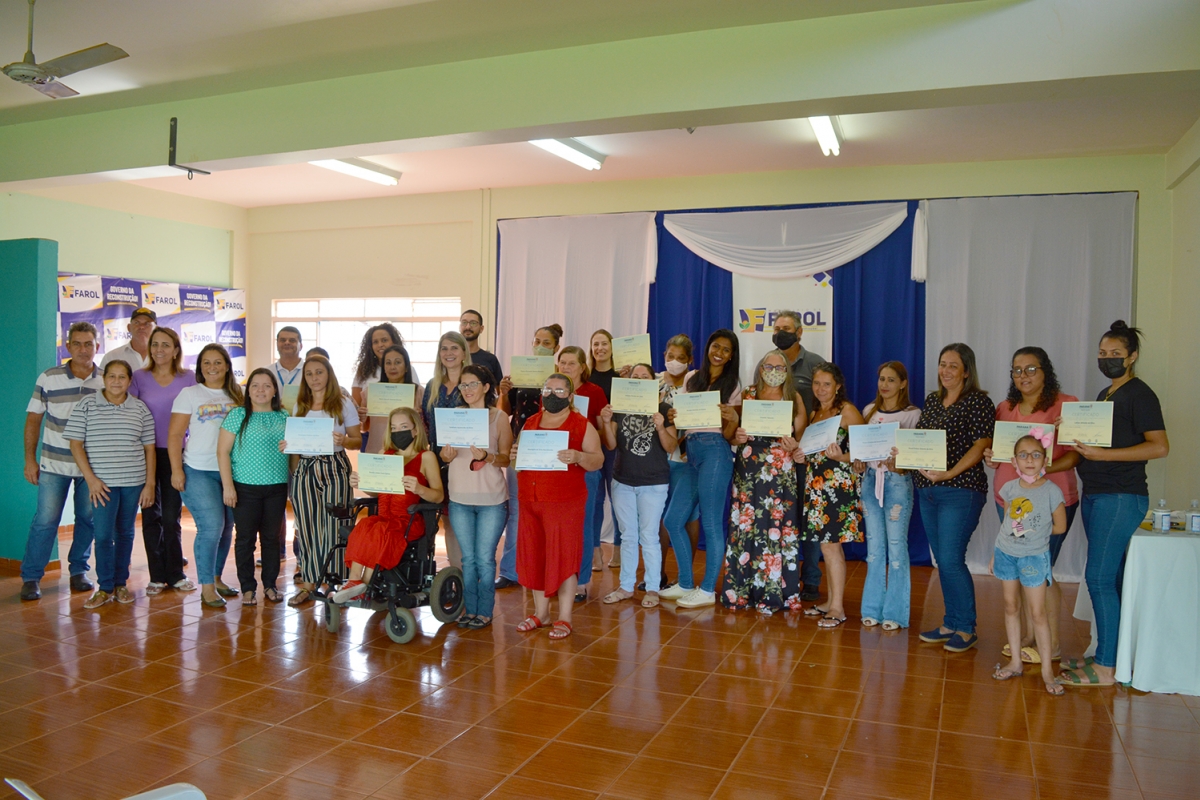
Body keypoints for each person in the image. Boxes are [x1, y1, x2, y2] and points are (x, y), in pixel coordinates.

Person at [1060, 321, 1168, 688]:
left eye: (1115, 355)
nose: (1107, 360)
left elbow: (1159, 446)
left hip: (1121, 496)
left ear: (1133, 357)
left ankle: (1106, 667)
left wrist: (1103, 457)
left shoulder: (1140, 394)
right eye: (1102, 354)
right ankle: (1112, 656)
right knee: (1114, 579)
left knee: (1099, 579)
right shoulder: (1105, 394)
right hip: (1097, 494)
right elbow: (1088, 446)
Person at [982, 347, 1080, 661]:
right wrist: (993, 457)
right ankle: (1027, 635)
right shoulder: (1005, 408)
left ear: (1045, 371)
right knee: (1021, 569)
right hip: (1009, 503)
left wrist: (1040, 470)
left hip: (1051, 502)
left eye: (1030, 369)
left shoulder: (1066, 405)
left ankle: (1050, 644)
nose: (1023, 376)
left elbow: (1077, 454)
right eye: (1016, 370)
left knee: (1041, 571)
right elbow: (1003, 456)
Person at [510, 373, 605, 640]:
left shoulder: (581, 425)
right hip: (531, 501)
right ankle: (541, 613)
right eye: (548, 390)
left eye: (560, 391)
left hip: (565, 503)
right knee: (535, 555)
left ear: (570, 396)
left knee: (563, 556)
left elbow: (597, 460)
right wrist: (514, 456)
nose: (553, 395)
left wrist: (579, 456)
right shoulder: (530, 422)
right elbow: (517, 460)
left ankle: (564, 617)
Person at [914, 343, 994, 653]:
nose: (945, 370)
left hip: (961, 490)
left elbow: (980, 446)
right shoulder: (933, 401)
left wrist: (948, 474)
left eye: (952, 365)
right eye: (941, 364)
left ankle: (967, 627)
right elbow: (921, 440)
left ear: (966, 371)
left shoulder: (978, 402)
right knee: (943, 561)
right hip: (927, 490)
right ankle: (951, 622)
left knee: (950, 559)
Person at [19, 321, 104, 602]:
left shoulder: (107, 380)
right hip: (53, 465)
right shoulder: (49, 377)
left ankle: (79, 571)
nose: (83, 349)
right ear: (67, 346)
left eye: (88, 344)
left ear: (97, 347)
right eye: (77, 344)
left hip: (91, 469)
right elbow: (33, 420)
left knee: (87, 520)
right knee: (45, 521)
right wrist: (29, 460)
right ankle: (31, 577)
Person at [64, 360, 156, 609]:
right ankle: (105, 587)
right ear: (104, 379)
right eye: (111, 376)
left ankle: (120, 585)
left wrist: (149, 484)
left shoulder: (139, 408)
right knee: (103, 535)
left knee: (125, 533)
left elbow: (149, 449)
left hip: (132, 482)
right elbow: (75, 444)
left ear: (129, 381)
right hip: (101, 485)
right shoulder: (87, 405)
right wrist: (91, 480)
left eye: (122, 377)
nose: (116, 381)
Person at [660, 329, 742, 609]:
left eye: (726, 349)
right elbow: (682, 418)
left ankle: (707, 590)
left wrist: (732, 417)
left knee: (710, 521)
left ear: (732, 356)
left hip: (716, 451)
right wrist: (673, 415)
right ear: (708, 348)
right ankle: (685, 583)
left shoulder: (733, 384)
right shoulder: (693, 378)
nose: (719, 352)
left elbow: (731, 434)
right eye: (715, 346)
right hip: (689, 451)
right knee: (672, 519)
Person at [333, 407, 444, 603]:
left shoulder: (426, 457)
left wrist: (419, 489)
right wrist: (362, 485)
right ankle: (354, 581)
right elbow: (377, 491)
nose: (397, 431)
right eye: (393, 428)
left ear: (415, 430)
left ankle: (363, 585)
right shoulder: (384, 454)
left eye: (403, 426)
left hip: (407, 520)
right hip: (384, 515)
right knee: (364, 526)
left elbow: (438, 496)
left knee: (380, 531)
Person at [723, 350, 805, 614]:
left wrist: (794, 446)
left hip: (781, 472)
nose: (773, 371)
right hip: (749, 470)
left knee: (778, 528)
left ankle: (776, 593)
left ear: (787, 371)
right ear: (760, 368)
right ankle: (742, 592)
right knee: (746, 525)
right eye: (768, 365)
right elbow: (732, 437)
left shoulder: (794, 398)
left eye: (779, 367)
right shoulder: (748, 394)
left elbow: (803, 442)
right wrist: (738, 435)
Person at [990, 431, 1067, 696]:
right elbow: (1007, 522)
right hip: (1006, 553)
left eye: (1036, 455)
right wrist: (995, 552)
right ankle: (1015, 661)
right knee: (1011, 606)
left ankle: (1047, 670)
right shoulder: (1010, 488)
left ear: (1045, 460)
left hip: (1034, 556)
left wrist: (1035, 534)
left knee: (1037, 613)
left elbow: (1060, 525)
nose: (1030, 460)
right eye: (1023, 455)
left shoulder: (1051, 491)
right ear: (1014, 461)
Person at [170, 344, 243, 607]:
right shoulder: (189, 394)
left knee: (226, 529)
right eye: (206, 363)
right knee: (211, 526)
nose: (212, 368)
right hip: (198, 470)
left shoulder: (239, 394)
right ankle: (207, 587)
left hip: (232, 473)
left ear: (226, 366)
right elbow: (175, 435)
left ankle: (217, 577)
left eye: (217, 362)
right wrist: (177, 470)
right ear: (200, 367)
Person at [598, 363, 677, 608]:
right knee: (628, 536)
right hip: (622, 480)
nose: (640, 380)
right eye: (636, 377)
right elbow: (610, 445)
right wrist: (605, 421)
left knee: (649, 536)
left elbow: (671, 447)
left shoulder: (663, 408)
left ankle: (652, 588)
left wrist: (660, 426)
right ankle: (625, 586)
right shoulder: (619, 408)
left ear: (654, 383)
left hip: (654, 482)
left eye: (645, 377)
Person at [285, 355, 360, 607]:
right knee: (306, 526)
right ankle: (308, 582)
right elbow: (295, 447)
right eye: (309, 374)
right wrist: (290, 452)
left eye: (319, 372)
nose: (314, 378)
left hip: (334, 466)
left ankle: (333, 582)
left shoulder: (343, 403)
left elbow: (358, 440)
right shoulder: (300, 406)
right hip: (306, 467)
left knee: (334, 524)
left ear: (328, 374)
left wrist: (344, 442)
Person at [439, 365, 511, 628]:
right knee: (467, 558)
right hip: (459, 497)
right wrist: (445, 456)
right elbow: (446, 455)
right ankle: (469, 609)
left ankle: (485, 610)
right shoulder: (454, 416)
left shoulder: (499, 417)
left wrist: (488, 457)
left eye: (472, 384)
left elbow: (506, 458)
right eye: (463, 385)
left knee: (484, 557)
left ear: (486, 387)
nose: (467, 390)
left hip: (491, 499)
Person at [129, 326, 197, 596]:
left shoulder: (189, 378)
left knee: (171, 516)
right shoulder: (138, 377)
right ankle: (156, 576)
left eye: (165, 345)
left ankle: (176, 574)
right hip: (146, 453)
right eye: (155, 344)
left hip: (175, 454)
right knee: (150, 515)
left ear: (176, 349)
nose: (159, 349)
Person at [854, 362, 921, 630]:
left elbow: (916, 452)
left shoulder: (912, 414)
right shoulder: (869, 411)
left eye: (891, 380)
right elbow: (859, 448)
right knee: (874, 549)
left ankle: (895, 612)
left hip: (897, 483)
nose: (885, 384)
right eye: (881, 379)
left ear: (903, 384)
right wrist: (857, 461)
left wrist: (901, 462)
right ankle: (871, 608)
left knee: (896, 548)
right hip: (871, 481)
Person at [495, 324, 562, 590]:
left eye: (546, 342)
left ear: (555, 348)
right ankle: (511, 571)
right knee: (516, 510)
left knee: (547, 510)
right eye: (536, 340)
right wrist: (503, 392)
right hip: (518, 448)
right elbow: (507, 411)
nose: (540, 345)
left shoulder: (560, 379)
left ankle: (545, 570)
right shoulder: (519, 376)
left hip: (549, 448)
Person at [799, 362, 865, 628]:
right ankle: (831, 600)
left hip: (838, 487)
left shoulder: (846, 411)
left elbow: (865, 451)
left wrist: (844, 456)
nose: (821, 389)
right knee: (826, 546)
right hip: (816, 488)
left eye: (827, 384)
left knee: (832, 545)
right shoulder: (816, 413)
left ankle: (837, 607)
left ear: (838, 386)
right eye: (817, 383)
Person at [218, 368, 290, 605]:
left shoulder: (284, 416)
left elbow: (294, 451)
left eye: (267, 385)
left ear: (274, 392)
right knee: (246, 539)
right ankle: (248, 587)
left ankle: (270, 585)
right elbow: (223, 451)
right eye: (255, 385)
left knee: (271, 539)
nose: (261, 390)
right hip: (245, 488)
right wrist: (228, 486)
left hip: (277, 487)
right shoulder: (238, 415)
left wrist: (290, 448)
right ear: (248, 391)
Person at [771, 310, 825, 600]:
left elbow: (829, 408)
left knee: (809, 517)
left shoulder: (816, 364)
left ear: (799, 332)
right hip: (774, 458)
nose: (781, 332)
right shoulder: (767, 363)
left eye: (787, 328)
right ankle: (780, 574)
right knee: (780, 515)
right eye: (777, 327)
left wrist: (806, 442)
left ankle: (812, 579)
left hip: (807, 454)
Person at [556, 345, 608, 601]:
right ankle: (559, 577)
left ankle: (582, 580)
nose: (566, 368)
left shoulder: (593, 392)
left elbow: (602, 432)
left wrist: (580, 428)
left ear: (582, 367)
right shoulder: (552, 390)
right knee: (560, 528)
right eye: (562, 363)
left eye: (571, 364)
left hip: (585, 467)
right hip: (558, 468)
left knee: (584, 527)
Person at [423, 331, 472, 567]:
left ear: (464, 353)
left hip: (466, 460)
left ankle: (466, 572)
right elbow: (424, 422)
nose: (449, 353)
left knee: (461, 520)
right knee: (444, 519)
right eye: (444, 348)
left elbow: (484, 419)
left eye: (454, 348)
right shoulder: (433, 386)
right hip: (437, 461)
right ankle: (452, 573)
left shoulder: (474, 383)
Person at [655, 334, 697, 592]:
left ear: (690, 361)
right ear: (664, 357)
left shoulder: (696, 384)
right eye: (670, 357)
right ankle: (657, 572)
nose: (675, 362)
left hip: (687, 458)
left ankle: (686, 575)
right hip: (657, 459)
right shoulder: (653, 382)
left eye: (681, 358)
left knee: (689, 517)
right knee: (659, 516)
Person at [587, 328, 625, 569]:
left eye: (604, 344)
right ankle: (595, 552)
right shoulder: (585, 378)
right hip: (590, 446)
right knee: (594, 500)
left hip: (615, 446)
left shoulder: (620, 377)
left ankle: (619, 550)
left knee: (617, 499)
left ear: (612, 348)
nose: (599, 348)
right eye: (595, 344)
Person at [362, 344, 425, 454]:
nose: (392, 367)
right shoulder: (371, 392)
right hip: (378, 450)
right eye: (388, 363)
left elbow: (426, 428)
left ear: (406, 367)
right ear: (384, 368)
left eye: (397, 362)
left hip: (410, 453)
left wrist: (419, 417)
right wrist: (362, 416)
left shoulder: (419, 392)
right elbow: (365, 426)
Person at [352, 323, 404, 451]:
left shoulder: (408, 369)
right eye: (375, 342)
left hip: (401, 435)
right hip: (371, 433)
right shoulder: (363, 370)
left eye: (384, 340)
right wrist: (361, 412)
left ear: (394, 342)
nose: (380, 345)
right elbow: (355, 404)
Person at [459, 309, 504, 391]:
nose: (468, 327)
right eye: (464, 323)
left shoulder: (490, 359)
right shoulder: (454, 358)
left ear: (481, 328)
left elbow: (498, 392)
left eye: (473, 323)